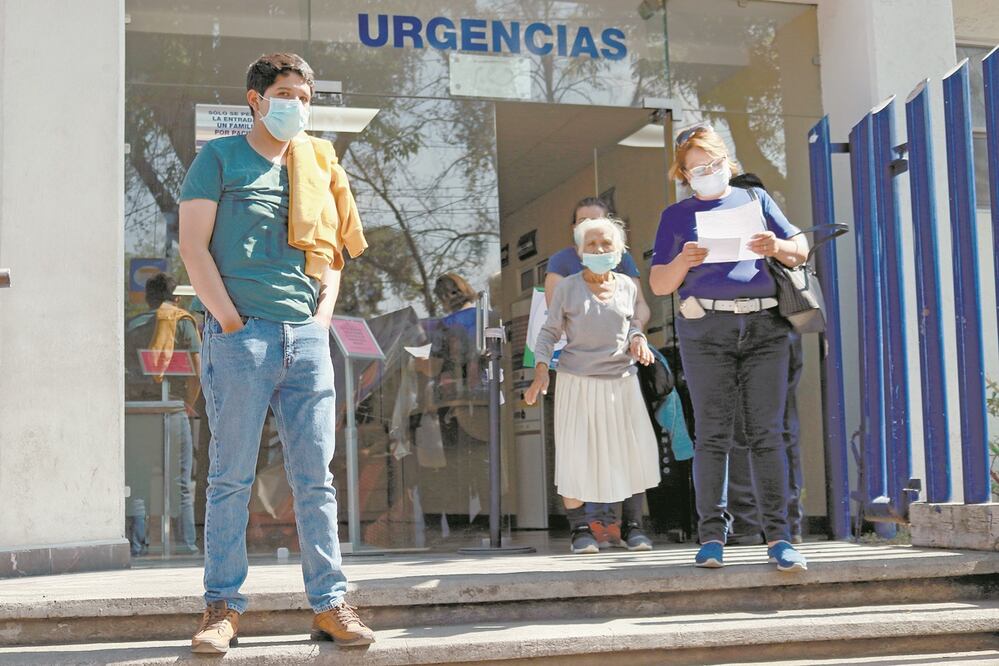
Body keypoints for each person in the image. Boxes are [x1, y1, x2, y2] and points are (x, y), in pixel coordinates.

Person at [179, 52, 374, 654]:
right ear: (255, 99)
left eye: (305, 96)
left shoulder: (319, 162)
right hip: (243, 337)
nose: (296, 104)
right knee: (230, 479)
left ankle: (331, 604)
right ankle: (223, 608)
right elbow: (193, 247)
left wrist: (319, 319)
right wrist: (231, 322)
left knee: (316, 481)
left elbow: (335, 254)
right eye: (285, 92)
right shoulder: (219, 158)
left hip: (306, 338)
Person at [649, 124, 809, 572]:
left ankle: (778, 536)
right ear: (682, 174)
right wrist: (684, 260)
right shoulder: (676, 216)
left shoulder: (754, 199)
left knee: (767, 434)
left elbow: (800, 249)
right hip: (706, 331)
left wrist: (774, 245)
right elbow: (660, 283)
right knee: (712, 436)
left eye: (713, 164)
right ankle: (712, 538)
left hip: (765, 328)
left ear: (727, 162)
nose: (706, 173)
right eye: (696, 168)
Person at [526, 217, 660, 554]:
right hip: (577, 380)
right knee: (577, 453)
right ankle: (580, 529)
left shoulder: (628, 286)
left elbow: (632, 325)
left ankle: (633, 527)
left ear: (619, 252)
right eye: (591, 245)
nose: (599, 250)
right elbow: (549, 332)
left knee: (632, 452)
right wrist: (542, 368)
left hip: (622, 381)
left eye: (606, 245)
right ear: (580, 251)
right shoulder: (568, 287)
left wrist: (638, 338)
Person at [725, 173, 807, 546]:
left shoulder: (776, 244)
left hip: (769, 340)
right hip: (760, 340)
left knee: (758, 434)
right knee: (764, 434)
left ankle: (764, 524)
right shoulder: (736, 246)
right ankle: (769, 523)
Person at [124, 272, 201, 556]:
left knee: (139, 482)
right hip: (173, 410)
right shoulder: (182, 322)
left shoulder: (132, 325)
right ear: (176, 297)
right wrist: (188, 402)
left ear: (147, 298)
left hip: (140, 411)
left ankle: (136, 545)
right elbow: (197, 368)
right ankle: (185, 545)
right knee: (179, 481)